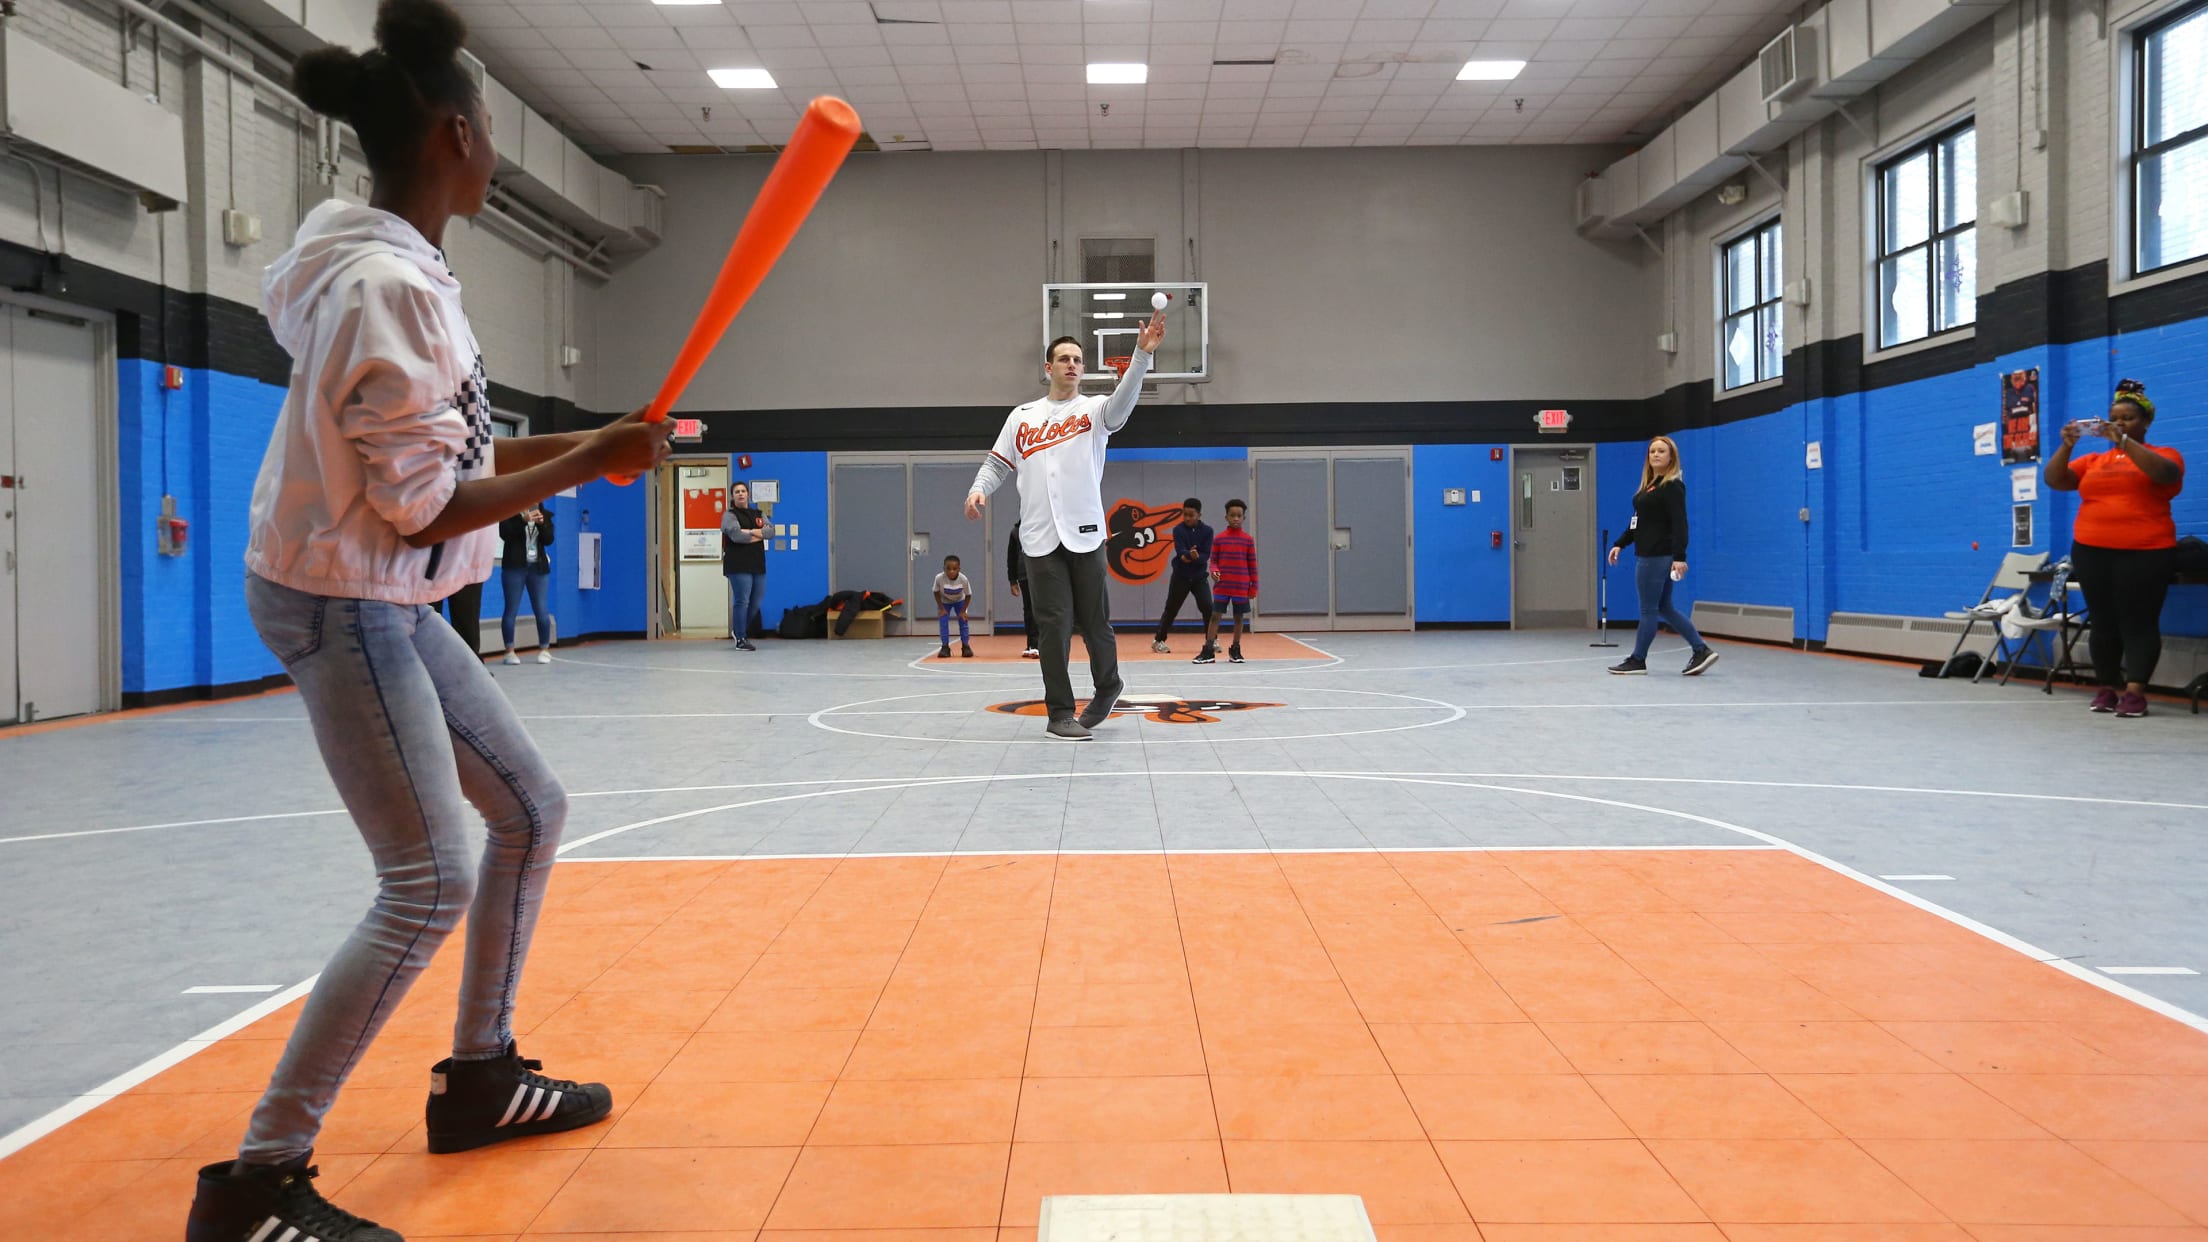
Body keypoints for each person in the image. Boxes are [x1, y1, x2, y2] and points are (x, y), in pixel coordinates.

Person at [187, 4, 673, 1239]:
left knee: (530, 808)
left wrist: (598, 444)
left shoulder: (379, 258)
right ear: (460, 136)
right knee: (425, 880)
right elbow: (417, 510)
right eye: (494, 127)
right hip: (349, 597)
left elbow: (454, 452)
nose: (496, 144)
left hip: (382, 592)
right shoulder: (388, 286)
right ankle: (258, 1184)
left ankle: (482, 1079)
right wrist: (587, 463)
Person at [967, 309, 1166, 740]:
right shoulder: (1022, 417)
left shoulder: (1095, 411)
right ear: (1048, 367)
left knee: (1095, 622)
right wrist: (979, 488)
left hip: (1086, 533)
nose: (1073, 364)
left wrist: (1141, 356)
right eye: (1064, 359)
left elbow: (1123, 403)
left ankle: (1108, 685)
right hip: (1038, 539)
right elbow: (997, 464)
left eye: (1078, 359)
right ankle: (1059, 712)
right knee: (1053, 626)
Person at [2045, 378, 2186, 718]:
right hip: (2092, 551)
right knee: (2104, 622)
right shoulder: (2094, 460)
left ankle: (2135, 692)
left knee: (2138, 621)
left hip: (2146, 552)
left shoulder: (2165, 454)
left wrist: (2124, 442)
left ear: (2146, 423)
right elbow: (2055, 480)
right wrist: (2066, 446)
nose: (2119, 423)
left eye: (2128, 418)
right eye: (2114, 417)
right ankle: (2107, 687)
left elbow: (2165, 475)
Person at [1607, 435, 1719, 676]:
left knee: (1648, 609)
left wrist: (1680, 556)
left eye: (1661, 451)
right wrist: (1620, 544)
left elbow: (1680, 523)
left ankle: (1638, 659)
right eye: (1652, 451)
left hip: (1656, 556)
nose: (1656, 454)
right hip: (1651, 553)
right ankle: (1701, 650)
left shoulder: (1671, 486)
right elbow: (1637, 524)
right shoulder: (1651, 485)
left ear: (1671, 457)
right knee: (1665, 607)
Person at [1152, 498, 1220, 662]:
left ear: (1199, 515)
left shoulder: (1207, 531)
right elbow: (1180, 551)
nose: (1187, 518)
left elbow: (1205, 555)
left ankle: (1211, 640)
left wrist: (1195, 557)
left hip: (1199, 577)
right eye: (1185, 515)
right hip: (1181, 576)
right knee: (1172, 608)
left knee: (1207, 606)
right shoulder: (1178, 530)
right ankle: (1158, 640)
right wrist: (1189, 555)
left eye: (1191, 515)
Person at [495, 505, 554, 665]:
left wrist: (542, 524)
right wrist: (523, 520)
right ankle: (509, 651)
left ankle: (544, 649)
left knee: (541, 609)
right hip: (514, 567)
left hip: (538, 567)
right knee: (510, 609)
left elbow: (549, 539)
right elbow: (505, 534)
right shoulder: (509, 513)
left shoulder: (545, 514)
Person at [720, 480, 768, 650]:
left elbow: (770, 531)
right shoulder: (729, 515)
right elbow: (735, 535)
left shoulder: (758, 513)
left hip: (757, 564)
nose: (740, 494)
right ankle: (740, 638)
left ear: (748, 494)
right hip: (738, 565)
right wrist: (757, 535)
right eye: (737, 491)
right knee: (742, 601)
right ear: (732, 496)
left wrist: (749, 532)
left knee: (756, 601)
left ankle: (739, 630)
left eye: (743, 491)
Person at [1211, 498, 1259, 663]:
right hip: (1222, 586)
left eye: (1239, 515)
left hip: (1241, 587)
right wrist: (1214, 571)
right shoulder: (1219, 539)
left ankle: (1236, 649)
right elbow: (1214, 561)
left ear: (1244, 518)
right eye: (1232, 515)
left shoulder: (1248, 540)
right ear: (1226, 517)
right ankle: (1208, 649)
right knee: (1215, 616)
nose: (1236, 518)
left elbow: (1253, 565)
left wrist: (1254, 587)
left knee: (1239, 618)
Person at [1007, 525, 1039, 658]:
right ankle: (1032, 644)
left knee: (1044, 609)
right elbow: (1011, 557)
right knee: (1029, 609)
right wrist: (1012, 580)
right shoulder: (1015, 532)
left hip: (1043, 574)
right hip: (1025, 575)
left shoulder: (1042, 526)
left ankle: (1043, 643)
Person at [935, 554, 974, 658]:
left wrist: (963, 611)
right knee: (943, 623)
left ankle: (965, 646)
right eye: (948, 569)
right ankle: (945, 647)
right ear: (944, 569)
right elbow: (936, 592)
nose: (951, 571)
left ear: (959, 569)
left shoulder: (963, 579)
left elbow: (968, 595)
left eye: (954, 569)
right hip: (944, 602)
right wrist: (941, 608)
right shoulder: (939, 578)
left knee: (963, 622)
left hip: (960, 601)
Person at [440, 576, 484, 658]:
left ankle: (471, 666)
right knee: (426, 622)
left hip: (467, 569)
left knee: (468, 627)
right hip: (426, 567)